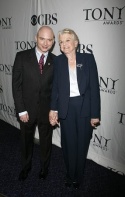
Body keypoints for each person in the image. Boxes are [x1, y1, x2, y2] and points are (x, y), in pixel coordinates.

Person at [49, 28, 100, 189]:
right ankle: (70, 174)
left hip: (85, 108)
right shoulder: (58, 61)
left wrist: (95, 114)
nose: (64, 45)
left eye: (67, 40)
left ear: (76, 43)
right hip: (67, 108)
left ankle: (78, 176)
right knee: (68, 144)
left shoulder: (88, 58)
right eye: (61, 42)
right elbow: (56, 87)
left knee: (81, 144)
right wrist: (53, 109)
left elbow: (94, 88)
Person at [12, 26, 56, 181]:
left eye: (49, 39)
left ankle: (44, 168)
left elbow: (57, 89)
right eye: (42, 38)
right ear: (36, 37)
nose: (45, 43)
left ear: (53, 41)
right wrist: (21, 110)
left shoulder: (55, 61)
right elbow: (16, 86)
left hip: (47, 112)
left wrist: (54, 110)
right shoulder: (22, 57)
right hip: (27, 111)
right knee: (25, 141)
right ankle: (26, 166)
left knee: (46, 142)